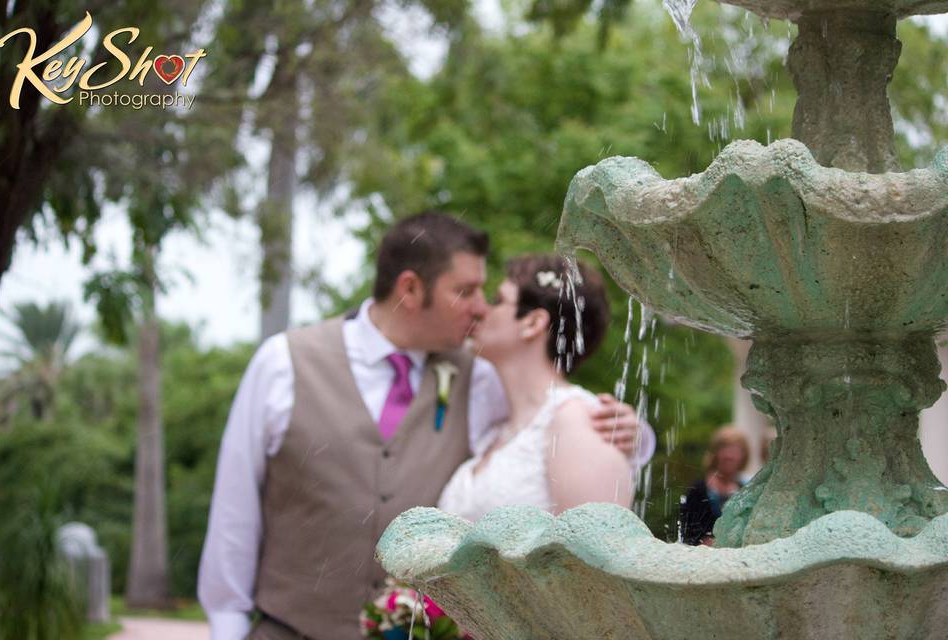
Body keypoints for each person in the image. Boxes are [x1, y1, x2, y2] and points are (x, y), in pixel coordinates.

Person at [198, 212, 656, 640]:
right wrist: (228, 624)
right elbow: (235, 514)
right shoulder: (284, 362)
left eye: (489, 295)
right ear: (411, 289)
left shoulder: (478, 376)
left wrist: (635, 437)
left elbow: (558, 420)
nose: (479, 308)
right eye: (466, 291)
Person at [438, 254, 649, 520]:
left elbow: (594, 554)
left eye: (498, 301)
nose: (482, 311)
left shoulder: (578, 420)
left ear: (533, 323)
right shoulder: (495, 431)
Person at [679, 425, 750, 546]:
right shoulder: (698, 490)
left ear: (743, 455)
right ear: (715, 453)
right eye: (724, 449)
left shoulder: (746, 489)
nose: (729, 456)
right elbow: (688, 534)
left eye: (735, 450)